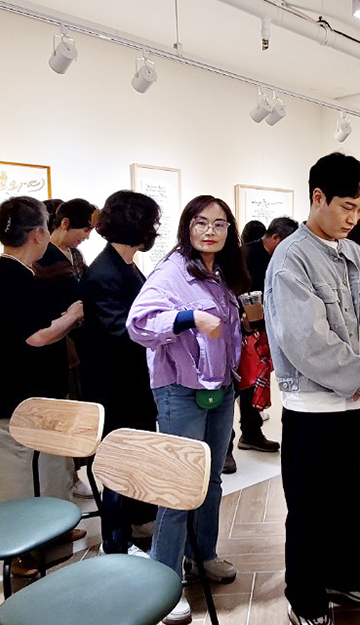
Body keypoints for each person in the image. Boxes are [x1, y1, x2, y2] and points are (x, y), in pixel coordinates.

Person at [265, 153, 360, 625]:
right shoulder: (291, 257)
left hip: (357, 404)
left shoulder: (353, 253)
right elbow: (306, 341)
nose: (353, 219)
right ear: (317, 197)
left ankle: (341, 575)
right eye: (346, 207)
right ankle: (304, 597)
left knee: (355, 501)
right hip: (313, 409)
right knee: (310, 509)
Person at [127, 195, 248, 625]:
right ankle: (164, 582)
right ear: (187, 227)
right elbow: (138, 323)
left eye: (219, 223)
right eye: (201, 222)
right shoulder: (171, 271)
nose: (210, 231)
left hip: (221, 388)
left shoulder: (220, 271)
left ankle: (203, 555)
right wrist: (190, 318)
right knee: (179, 487)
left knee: (210, 479)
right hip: (180, 391)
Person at [0, 196, 84, 575]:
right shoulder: (11, 275)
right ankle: (19, 550)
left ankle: (53, 530)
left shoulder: (18, 273)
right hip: (12, 399)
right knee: (17, 475)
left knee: (49, 467)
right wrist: (72, 316)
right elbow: (36, 336)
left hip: (35, 397)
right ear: (38, 233)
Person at [80, 190, 161, 558]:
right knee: (119, 461)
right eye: (151, 222)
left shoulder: (125, 265)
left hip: (133, 383)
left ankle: (140, 519)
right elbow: (121, 330)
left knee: (138, 454)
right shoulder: (104, 272)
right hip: (113, 386)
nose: (155, 229)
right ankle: (115, 542)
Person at [224, 216, 300, 472]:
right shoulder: (244, 255)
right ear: (276, 238)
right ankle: (224, 448)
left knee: (251, 385)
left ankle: (251, 433)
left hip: (259, 332)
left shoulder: (275, 258)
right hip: (237, 331)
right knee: (231, 389)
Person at [34, 197, 96, 500]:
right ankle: (63, 479)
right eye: (85, 229)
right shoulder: (42, 258)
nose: (87, 236)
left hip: (78, 344)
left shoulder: (75, 255)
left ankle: (72, 474)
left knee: (77, 410)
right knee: (62, 412)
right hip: (57, 343)